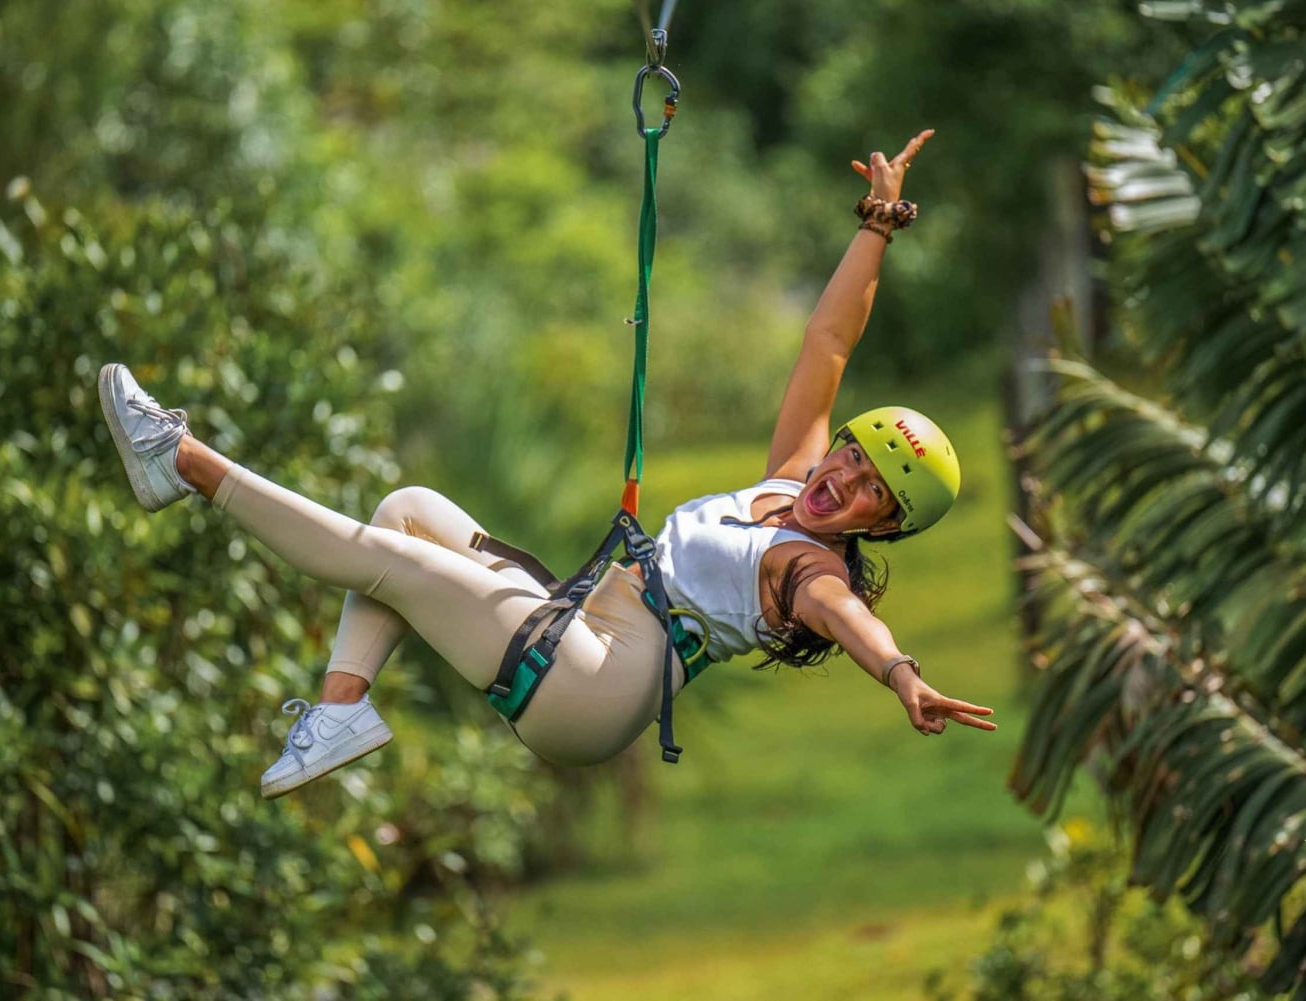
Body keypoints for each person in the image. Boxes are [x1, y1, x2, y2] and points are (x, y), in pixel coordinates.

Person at [98, 127, 996, 800]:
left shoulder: (807, 566)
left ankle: (180, 460)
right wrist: (881, 221)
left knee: (396, 563)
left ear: (882, 525)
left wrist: (903, 674)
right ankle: (339, 712)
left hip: (596, 687)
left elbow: (845, 617)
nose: (844, 481)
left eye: (872, 493)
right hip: (581, 622)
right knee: (408, 507)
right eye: (853, 454)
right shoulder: (793, 479)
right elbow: (829, 342)